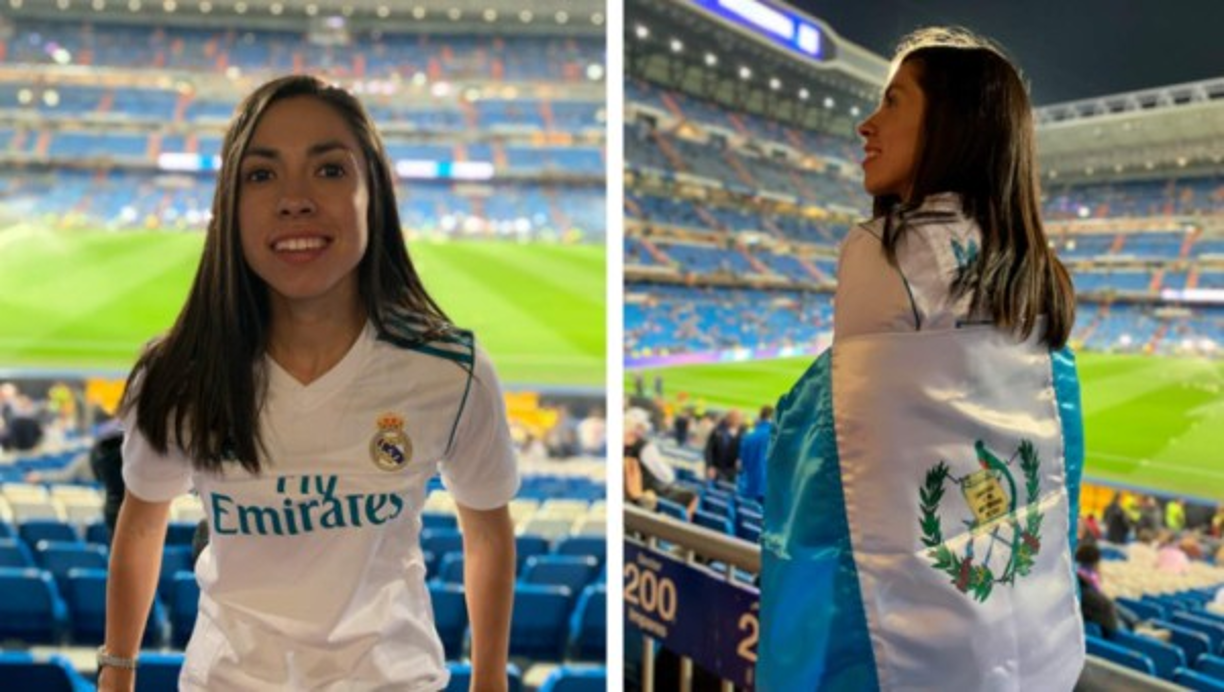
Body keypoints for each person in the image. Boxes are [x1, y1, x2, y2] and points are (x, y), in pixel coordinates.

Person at [101, 75, 519, 692]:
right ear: (229, 206)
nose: (295, 199)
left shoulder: (451, 371)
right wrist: (117, 673)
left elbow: (486, 530)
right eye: (262, 175)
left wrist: (490, 682)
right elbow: (141, 523)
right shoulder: (177, 373)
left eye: (329, 170)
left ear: (372, 193)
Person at [759, 28, 1084, 691]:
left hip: (916, 649)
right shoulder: (1036, 273)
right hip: (1032, 642)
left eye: (893, 103)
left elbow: (843, 455)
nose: (866, 125)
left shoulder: (882, 253)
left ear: (951, 126)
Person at [736, 405, 773, 505]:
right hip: (767, 490)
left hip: (748, 487)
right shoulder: (776, 435)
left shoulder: (749, 435)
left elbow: (741, 464)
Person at [703, 409, 742, 483]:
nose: (737, 421)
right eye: (735, 418)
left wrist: (740, 460)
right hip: (715, 470)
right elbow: (709, 450)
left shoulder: (742, 433)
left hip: (731, 472)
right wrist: (710, 466)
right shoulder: (718, 431)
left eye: (739, 419)